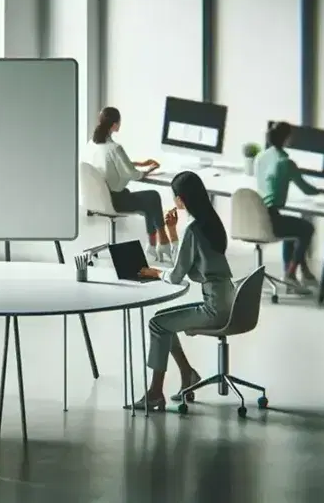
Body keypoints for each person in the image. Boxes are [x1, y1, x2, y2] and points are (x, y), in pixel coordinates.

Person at [128, 171, 234, 411]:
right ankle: (188, 374)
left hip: (214, 307)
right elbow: (186, 263)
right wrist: (173, 233)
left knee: (158, 325)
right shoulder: (210, 221)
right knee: (162, 323)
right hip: (228, 299)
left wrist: (154, 273)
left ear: (181, 199)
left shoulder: (194, 228)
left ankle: (156, 393)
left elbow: (176, 275)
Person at [84, 106, 178, 263]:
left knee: (148, 202)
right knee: (152, 196)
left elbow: (110, 164)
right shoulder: (115, 148)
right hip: (115, 201)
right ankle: (162, 242)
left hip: (96, 199)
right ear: (115, 124)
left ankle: (155, 245)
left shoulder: (91, 145)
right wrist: (150, 169)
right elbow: (133, 174)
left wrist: (140, 163)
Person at [255, 121, 324, 292]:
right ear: (288, 139)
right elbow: (306, 189)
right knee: (306, 228)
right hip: (271, 218)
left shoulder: (261, 157)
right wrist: (321, 191)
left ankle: (304, 273)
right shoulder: (286, 162)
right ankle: (291, 274)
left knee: (294, 230)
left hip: (258, 215)